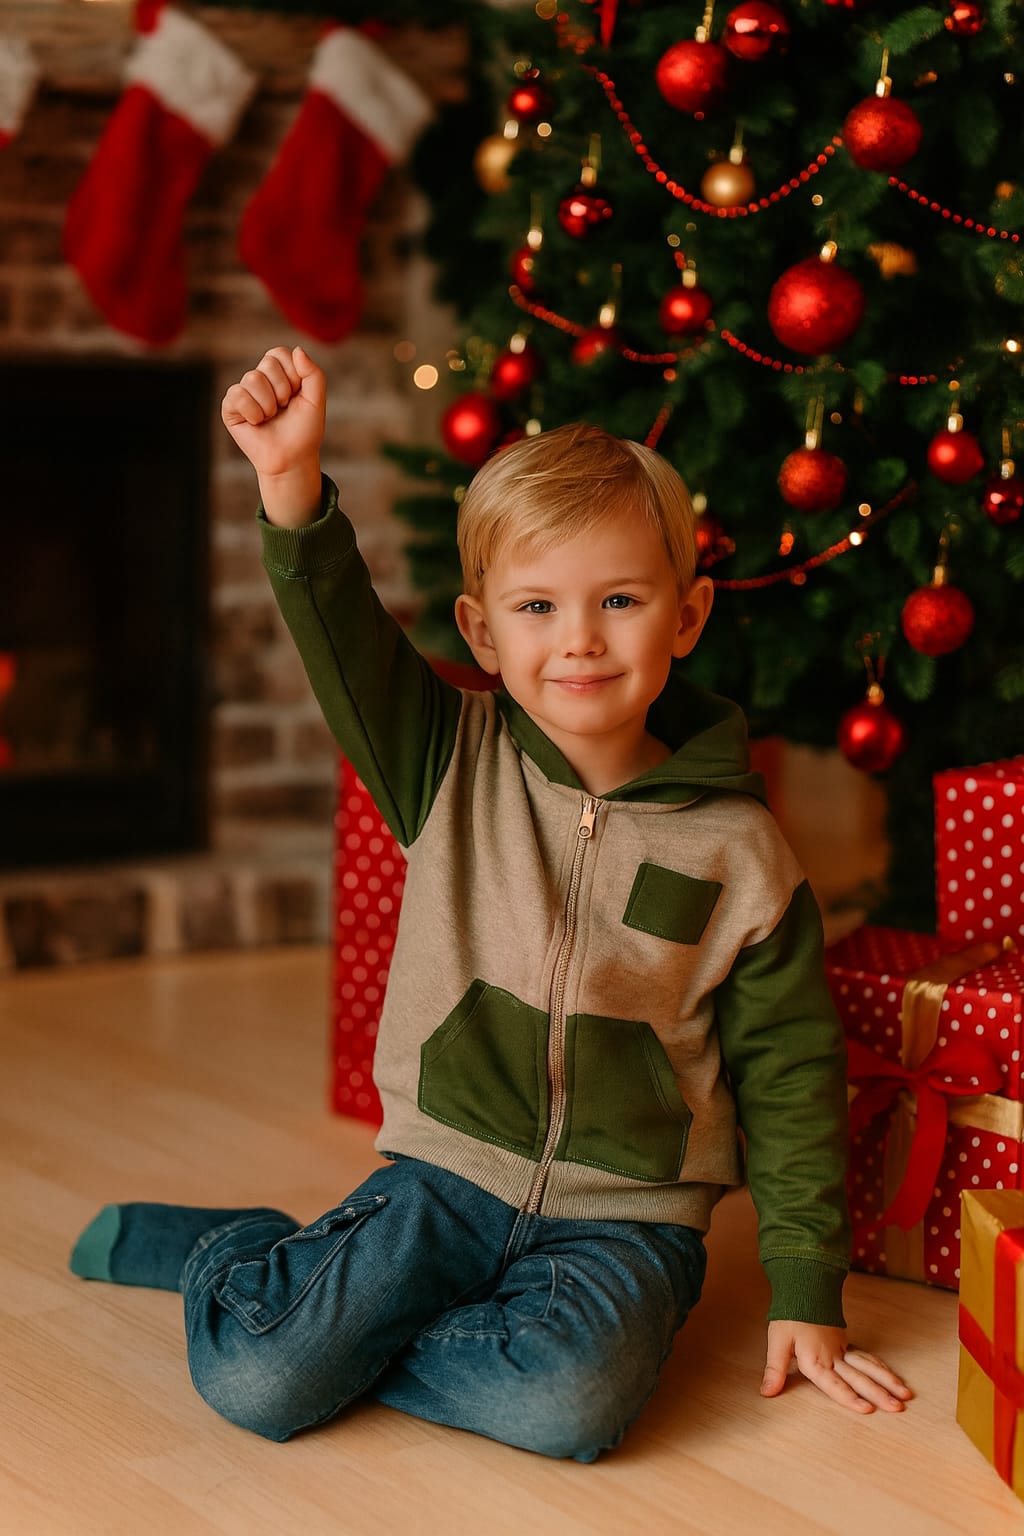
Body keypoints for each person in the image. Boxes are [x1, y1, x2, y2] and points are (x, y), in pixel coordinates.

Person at [69, 345, 911, 1458]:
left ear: (687, 614)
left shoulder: (744, 852)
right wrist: (290, 483)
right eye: (537, 606)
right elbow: (341, 636)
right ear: (481, 631)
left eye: (620, 600)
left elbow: (792, 1072)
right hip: (444, 1178)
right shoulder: (444, 758)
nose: (579, 639)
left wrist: (805, 1287)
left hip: (628, 1221)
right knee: (261, 1376)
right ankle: (246, 1255)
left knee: (565, 1405)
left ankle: (317, 1294)